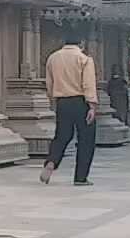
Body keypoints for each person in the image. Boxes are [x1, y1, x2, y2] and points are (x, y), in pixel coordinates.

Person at [39, 31, 98, 187]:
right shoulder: (84, 59)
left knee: (62, 135)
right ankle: (80, 177)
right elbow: (88, 84)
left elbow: (49, 83)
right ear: (81, 43)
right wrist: (92, 106)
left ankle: (51, 162)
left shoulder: (53, 58)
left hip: (62, 102)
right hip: (81, 102)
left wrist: (53, 100)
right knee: (86, 140)